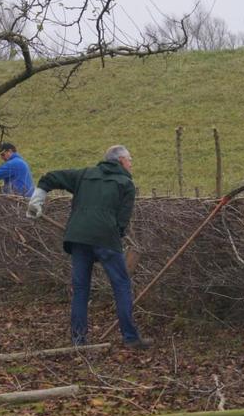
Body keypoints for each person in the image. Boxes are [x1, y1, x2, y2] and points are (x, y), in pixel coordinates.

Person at [26, 145, 152, 349]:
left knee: (81, 289)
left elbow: (49, 178)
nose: (131, 164)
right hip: (106, 239)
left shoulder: (84, 175)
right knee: (121, 285)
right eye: (129, 159)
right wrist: (113, 237)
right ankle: (130, 338)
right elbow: (123, 220)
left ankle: (78, 340)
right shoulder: (126, 183)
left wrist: (37, 201)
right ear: (120, 161)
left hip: (78, 238)